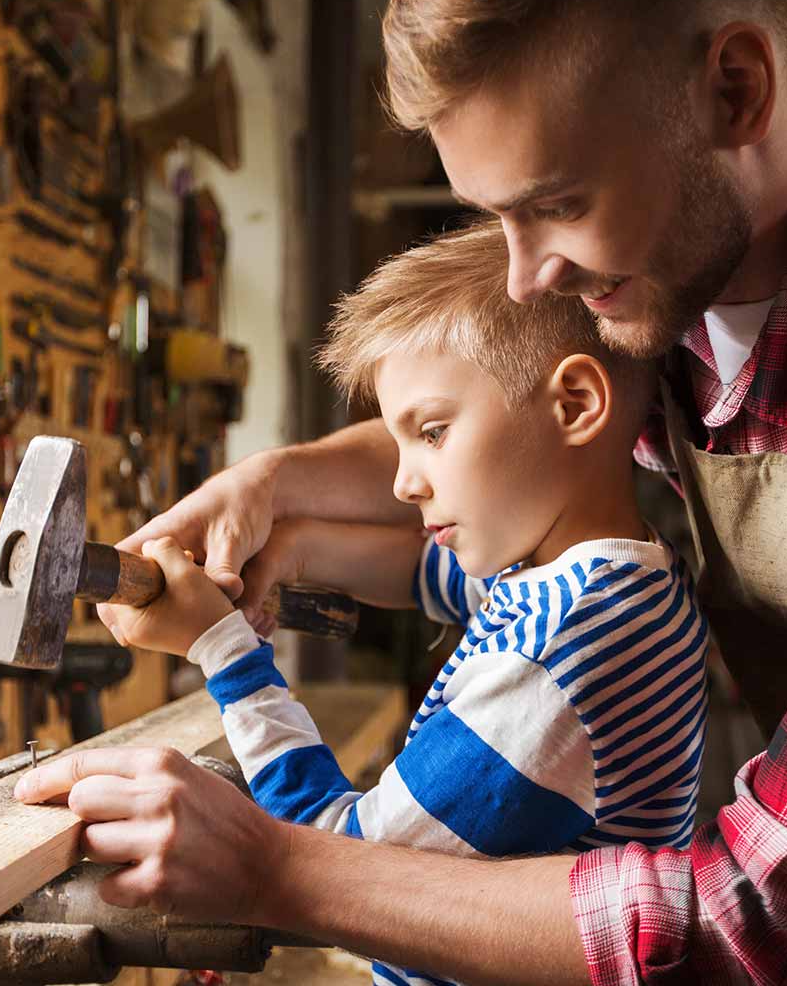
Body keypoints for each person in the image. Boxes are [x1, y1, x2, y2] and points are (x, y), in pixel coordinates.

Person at [17, 0, 787, 983]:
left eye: (557, 202)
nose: (526, 274)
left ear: (734, 90)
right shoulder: (672, 279)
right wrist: (275, 486)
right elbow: (518, 425)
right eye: (496, 214)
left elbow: (772, 919)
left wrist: (278, 870)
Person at [62, 219, 710, 986]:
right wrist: (293, 546)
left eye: (431, 431)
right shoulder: (603, 580)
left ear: (573, 404)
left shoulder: (558, 655)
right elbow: (417, 568)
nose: (404, 483)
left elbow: (340, 858)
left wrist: (221, 650)